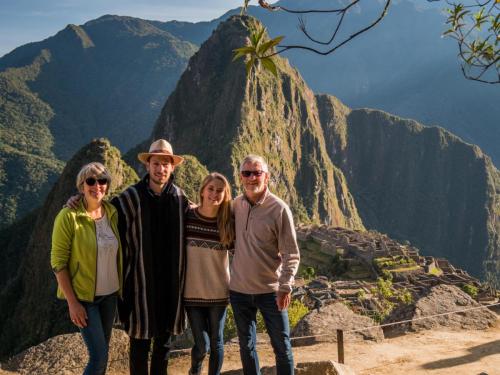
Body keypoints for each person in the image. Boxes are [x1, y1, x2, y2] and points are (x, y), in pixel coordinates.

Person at [66, 139, 188, 375]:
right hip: (140, 288)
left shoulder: (181, 201)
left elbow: (206, 214)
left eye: (165, 164)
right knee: (139, 347)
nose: (160, 168)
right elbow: (100, 211)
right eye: (156, 163)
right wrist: (78, 200)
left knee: (163, 347)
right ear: (148, 165)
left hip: (171, 289)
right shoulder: (130, 198)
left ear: (172, 167)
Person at [229, 155, 300, 375]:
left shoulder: (279, 209)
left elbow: (291, 252)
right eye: (246, 173)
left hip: (270, 292)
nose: (252, 177)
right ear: (241, 177)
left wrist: (285, 285)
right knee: (247, 346)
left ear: (266, 177)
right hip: (239, 291)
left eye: (257, 172)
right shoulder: (234, 206)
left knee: (281, 346)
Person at [51, 162, 122, 375]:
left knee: (103, 354)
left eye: (102, 181)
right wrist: (73, 303)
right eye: (90, 181)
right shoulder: (68, 216)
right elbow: (58, 263)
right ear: (81, 186)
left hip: (110, 296)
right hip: (85, 298)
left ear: (108, 185)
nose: (97, 185)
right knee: (99, 356)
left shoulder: (112, 212)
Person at [183, 172, 235, 375]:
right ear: (203, 190)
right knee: (202, 344)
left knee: (217, 341)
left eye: (220, 190)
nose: (214, 194)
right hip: (192, 292)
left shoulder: (228, 223)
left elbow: (245, 251)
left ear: (225, 194)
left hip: (218, 292)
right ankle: (195, 370)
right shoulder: (187, 216)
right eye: (211, 189)